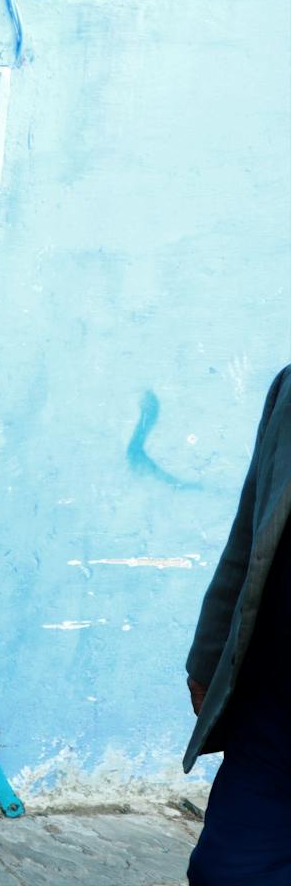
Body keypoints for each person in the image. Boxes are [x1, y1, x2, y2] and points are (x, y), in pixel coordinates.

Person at [186, 365, 291, 886]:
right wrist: (207, 661)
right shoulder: (290, 388)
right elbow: (250, 536)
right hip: (272, 707)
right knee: (223, 869)